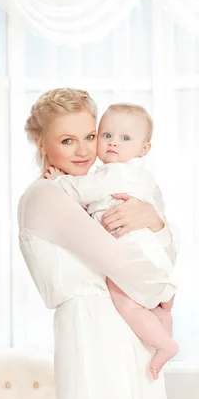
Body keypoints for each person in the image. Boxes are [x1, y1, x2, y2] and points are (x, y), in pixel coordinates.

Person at [18, 88, 179, 399]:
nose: (84, 150)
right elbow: (123, 263)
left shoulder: (100, 190)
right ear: (41, 143)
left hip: (128, 323)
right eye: (67, 140)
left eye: (90, 136)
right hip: (93, 327)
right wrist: (166, 292)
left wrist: (154, 222)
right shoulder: (47, 195)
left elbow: (153, 254)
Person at [44, 103, 178, 381]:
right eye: (106, 135)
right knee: (155, 308)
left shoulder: (109, 174)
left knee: (125, 302)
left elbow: (78, 191)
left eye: (125, 138)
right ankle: (164, 324)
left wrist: (58, 181)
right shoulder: (145, 179)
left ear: (144, 149)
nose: (113, 143)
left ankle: (166, 344)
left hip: (130, 255)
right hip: (152, 257)